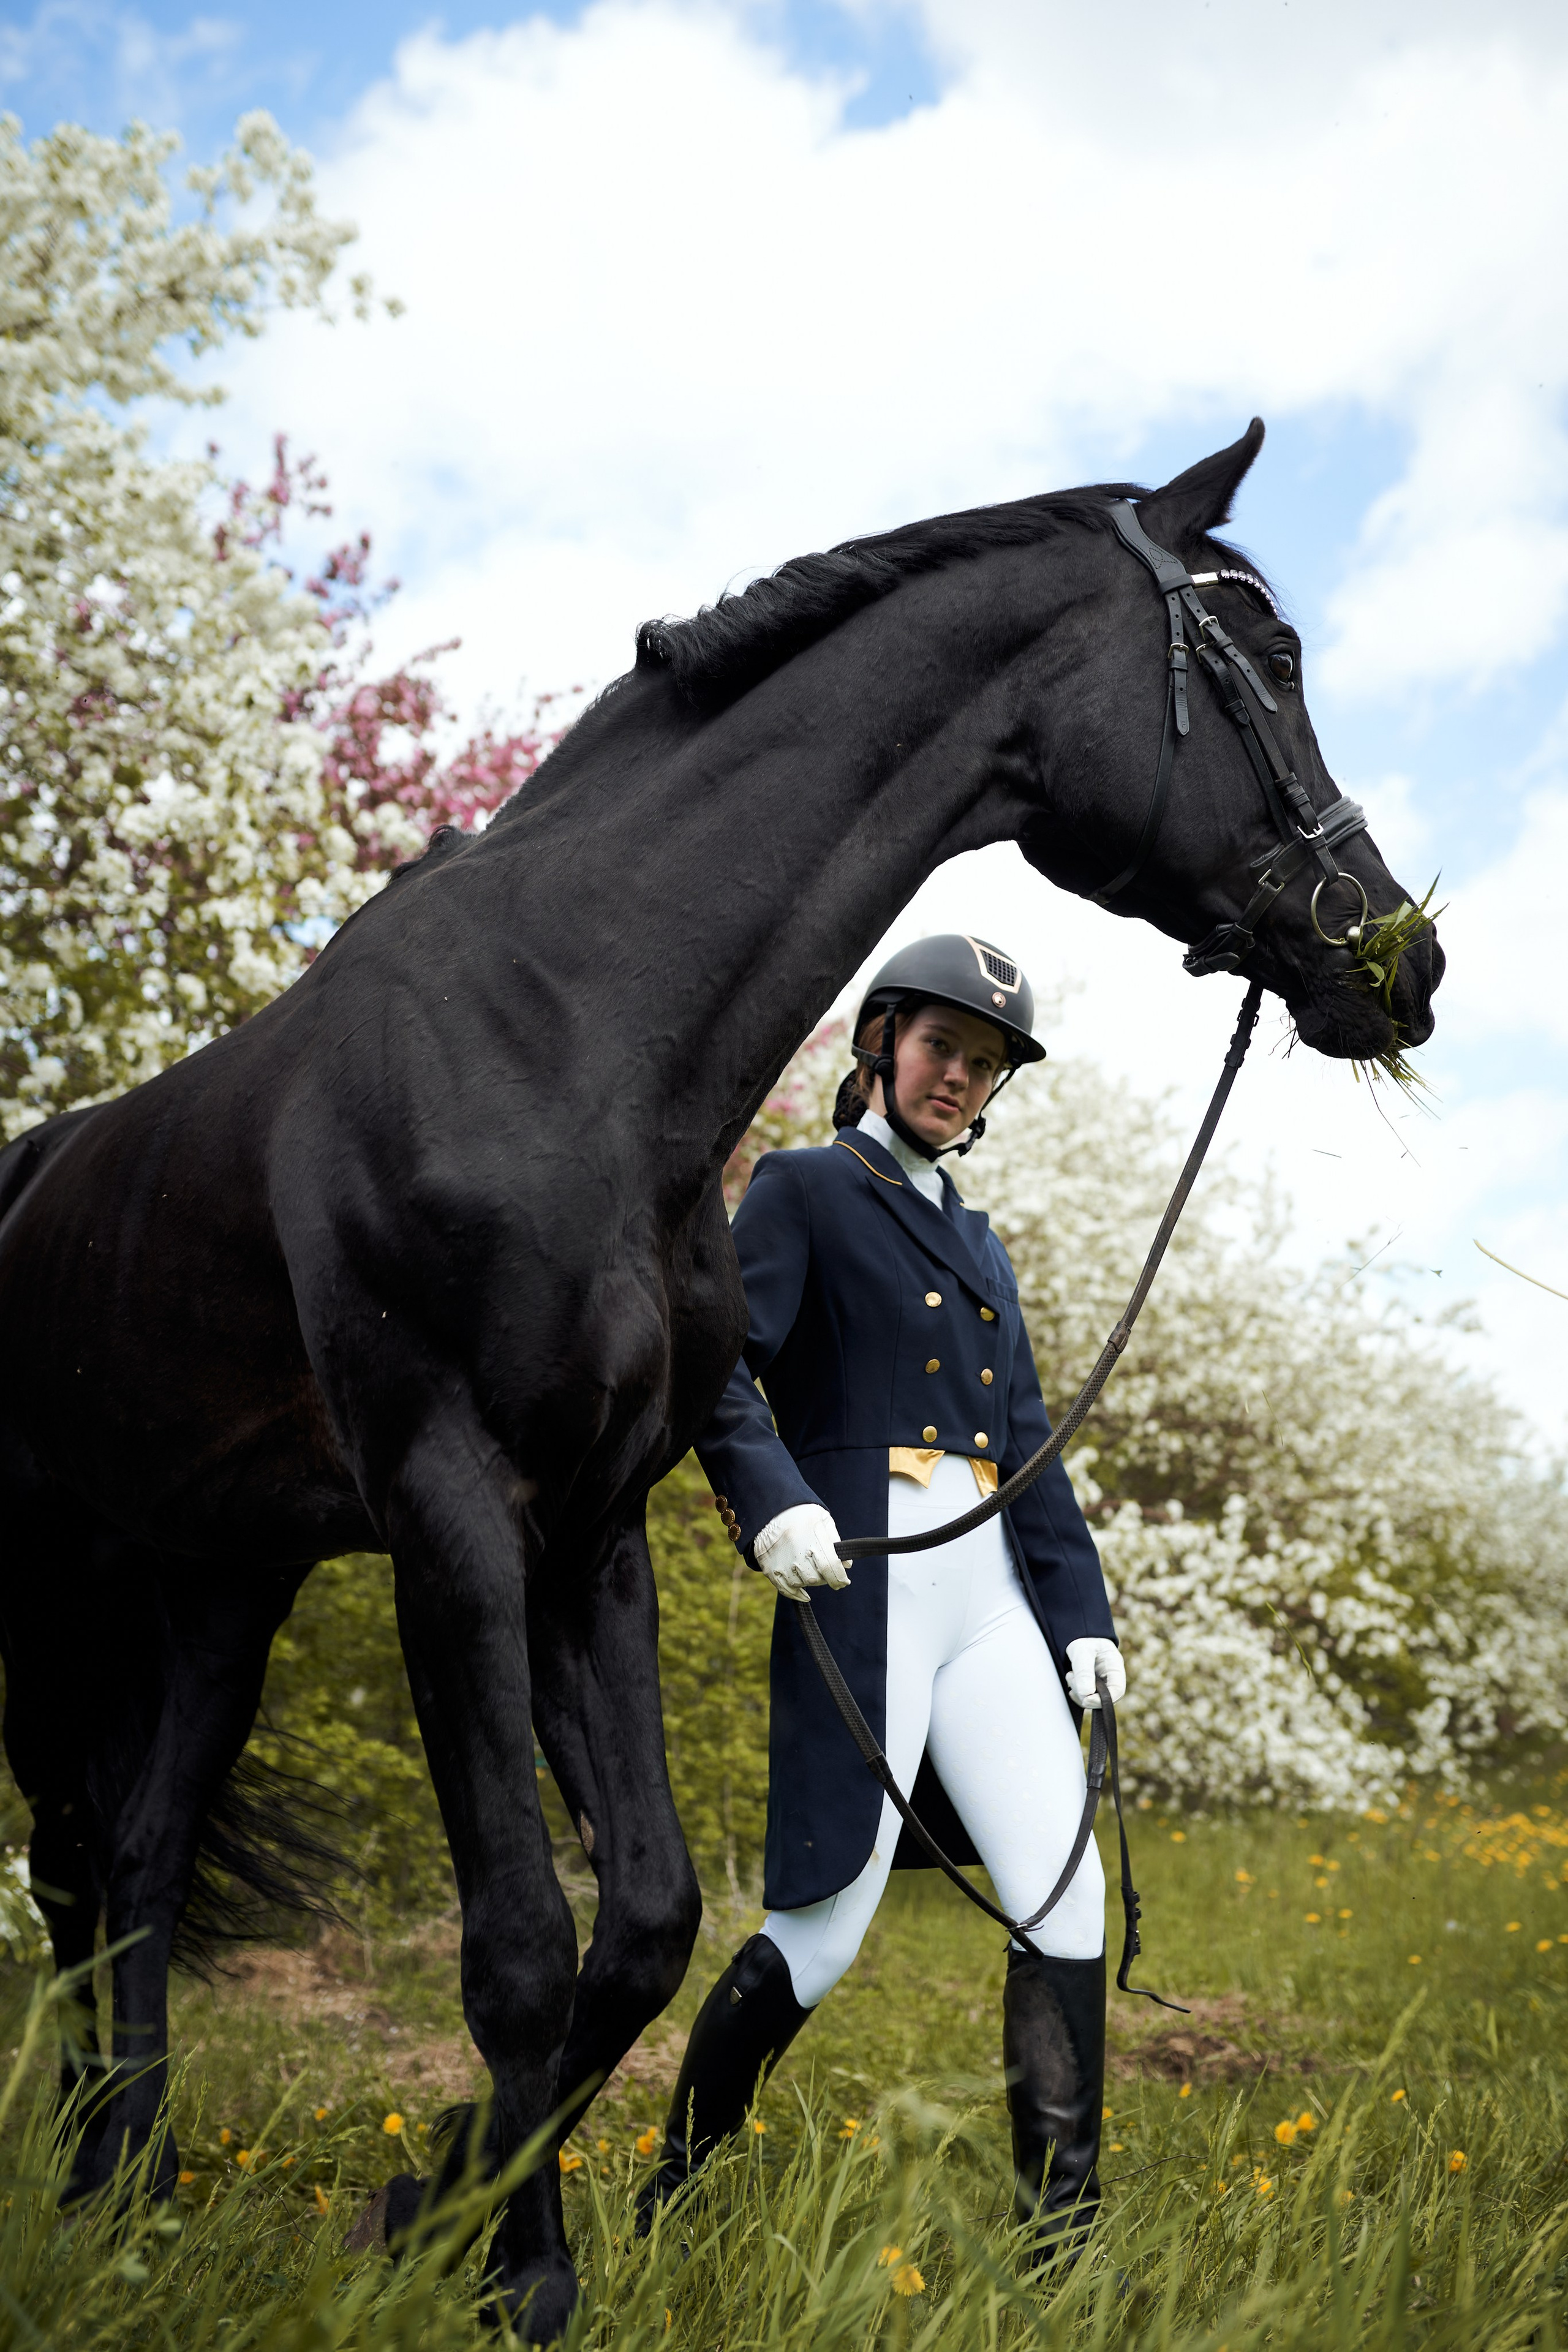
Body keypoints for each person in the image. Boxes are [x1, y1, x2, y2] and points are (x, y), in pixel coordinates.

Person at [639, 935, 1126, 2260]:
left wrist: (1079, 1617)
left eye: (982, 1065)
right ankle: (672, 2187)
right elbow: (717, 1361)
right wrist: (769, 1495)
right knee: (824, 1927)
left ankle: (1060, 2241)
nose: (957, 1078)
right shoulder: (805, 1186)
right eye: (939, 1049)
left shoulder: (982, 1241)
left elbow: (1025, 1442)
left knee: (1061, 1895)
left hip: (990, 1606)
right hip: (871, 1582)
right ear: (880, 1044)